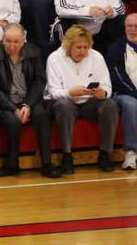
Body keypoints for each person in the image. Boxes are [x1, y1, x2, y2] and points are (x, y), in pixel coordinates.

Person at [0, 23, 60, 177]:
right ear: (2, 39)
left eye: (16, 42)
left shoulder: (33, 51)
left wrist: (27, 105)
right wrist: (14, 108)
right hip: (2, 103)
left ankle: (46, 163)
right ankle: (12, 164)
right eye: (7, 41)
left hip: (28, 100)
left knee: (42, 114)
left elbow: (39, 81)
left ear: (23, 40)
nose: (11, 46)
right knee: (13, 121)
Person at [45, 25, 119, 175]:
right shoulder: (54, 58)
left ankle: (104, 154)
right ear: (68, 46)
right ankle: (67, 156)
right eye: (79, 47)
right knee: (63, 105)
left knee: (110, 104)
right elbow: (53, 92)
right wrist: (70, 92)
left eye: (86, 47)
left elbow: (107, 87)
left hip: (90, 102)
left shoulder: (96, 57)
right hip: (67, 101)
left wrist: (102, 93)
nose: (83, 51)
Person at [106, 13, 137, 172]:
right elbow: (119, 79)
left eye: (136, 26)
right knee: (132, 105)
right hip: (124, 93)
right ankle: (131, 153)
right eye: (128, 26)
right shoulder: (115, 49)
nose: (132, 30)